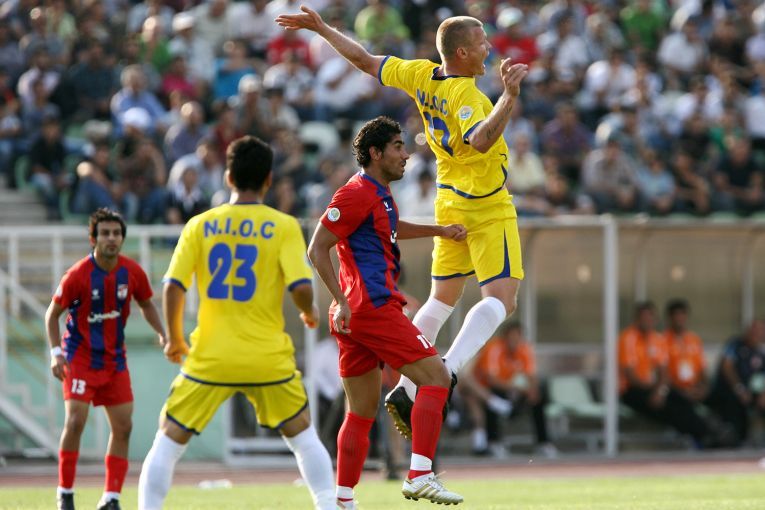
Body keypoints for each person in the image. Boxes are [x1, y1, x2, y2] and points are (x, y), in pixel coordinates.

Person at [278, 6, 528, 440]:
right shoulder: (468, 97)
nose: (488, 47)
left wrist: (322, 29)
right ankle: (446, 370)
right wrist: (508, 96)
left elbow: (364, 60)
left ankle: (407, 386)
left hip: (449, 201)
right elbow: (481, 139)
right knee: (503, 299)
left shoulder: (420, 74)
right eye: (482, 42)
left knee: (442, 298)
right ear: (463, 53)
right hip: (486, 205)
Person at [137, 135, 335, 510]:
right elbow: (300, 287)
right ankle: (328, 504)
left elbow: (173, 286)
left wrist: (175, 338)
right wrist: (308, 311)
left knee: (168, 441)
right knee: (303, 437)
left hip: (212, 355)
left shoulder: (199, 225)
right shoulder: (283, 225)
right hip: (266, 357)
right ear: (269, 180)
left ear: (228, 177)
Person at [307, 117, 466, 507]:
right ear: (375, 153)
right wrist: (342, 299)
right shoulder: (356, 193)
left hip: (356, 315)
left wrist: (439, 231)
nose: (406, 154)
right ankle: (420, 475)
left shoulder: (379, 193)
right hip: (373, 307)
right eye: (397, 146)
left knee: (360, 412)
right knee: (437, 377)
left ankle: (343, 500)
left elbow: (391, 227)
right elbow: (316, 248)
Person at [45, 208, 167, 510]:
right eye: (105, 233)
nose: (111, 238)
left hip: (114, 361)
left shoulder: (132, 272)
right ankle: (65, 493)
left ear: (122, 238)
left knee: (123, 427)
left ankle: (111, 498)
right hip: (80, 358)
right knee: (75, 422)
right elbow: (52, 315)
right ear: (93, 238)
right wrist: (56, 353)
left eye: (116, 233)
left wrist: (163, 333)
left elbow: (147, 304)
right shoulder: (77, 275)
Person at [619, 302, 717, 448]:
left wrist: (660, 390)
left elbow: (664, 371)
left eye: (650, 317)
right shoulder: (628, 338)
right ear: (636, 319)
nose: (647, 321)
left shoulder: (656, 339)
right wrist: (656, 390)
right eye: (644, 317)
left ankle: (707, 434)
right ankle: (702, 436)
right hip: (633, 390)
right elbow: (631, 375)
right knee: (669, 408)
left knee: (681, 400)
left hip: (655, 387)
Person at [460, 320, 557, 458]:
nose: (515, 341)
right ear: (505, 337)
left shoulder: (523, 348)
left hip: (509, 389)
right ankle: (493, 441)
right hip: (486, 390)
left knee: (539, 397)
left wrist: (532, 390)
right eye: (512, 337)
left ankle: (543, 442)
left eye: (518, 337)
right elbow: (491, 379)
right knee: (494, 398)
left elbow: (531, 375)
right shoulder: (494, 347)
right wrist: (519, 388)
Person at [708, 319, 765, 446]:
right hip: (730, 390)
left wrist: (762, 393)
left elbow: (761, 377)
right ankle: (733, 439)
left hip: (750, 392)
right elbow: (727, 367)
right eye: (754, 330)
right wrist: (739, 389)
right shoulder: (735, 344)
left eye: (760, 331)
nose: (756, 334)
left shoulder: (760, 353)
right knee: (734, 401)